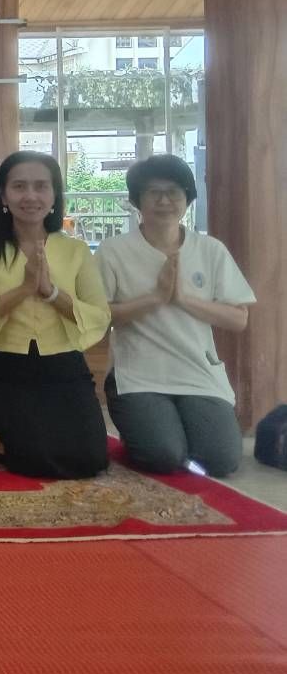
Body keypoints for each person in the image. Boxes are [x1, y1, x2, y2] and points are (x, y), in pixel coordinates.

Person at [0, 150, 111, 478]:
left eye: (41, 186)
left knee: (91, 459)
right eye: (19, 186)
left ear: (54, 195)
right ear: (3, 196)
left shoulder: (75, 251)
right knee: (35, 459)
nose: (30, 196)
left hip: (64, 366)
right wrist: (24, 289)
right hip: (6, 369)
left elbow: (98, 314)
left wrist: (51, 293)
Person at [96, 155, 252, 476]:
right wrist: (155, 298)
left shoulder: (210, 250)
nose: (164, 201)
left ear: (188, 198)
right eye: (154, 192)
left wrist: (183, 299)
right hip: (138, 374)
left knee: (221, 460)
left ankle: (173, 429)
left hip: (197, 372)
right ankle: (146, 429)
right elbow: (99, 317)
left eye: (174, 192)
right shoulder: (114, 251)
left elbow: (238, 318)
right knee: (163, 456)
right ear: (137, 199)